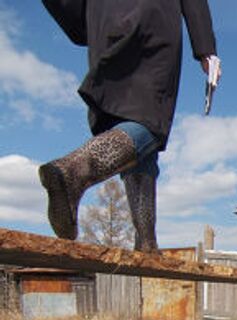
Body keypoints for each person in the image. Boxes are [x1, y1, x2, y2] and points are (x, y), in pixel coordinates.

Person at [39, 0, 220, 252]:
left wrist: (86, 22)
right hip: (152, 18)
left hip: (104, 21)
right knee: (150, 124)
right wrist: (206, 48)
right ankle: (74, 171)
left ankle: (146, 240)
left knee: (129, 124)